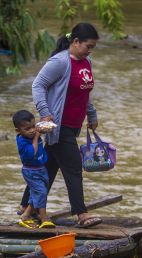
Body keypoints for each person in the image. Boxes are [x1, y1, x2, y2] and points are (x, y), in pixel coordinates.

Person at [19, 22, 103, 228]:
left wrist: (91, 114)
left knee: (47, 167)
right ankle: (81, 214)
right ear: (75, 42)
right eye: (88, 46)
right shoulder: (59, 62)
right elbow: (38, 85)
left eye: (93, 47)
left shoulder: (86, 62)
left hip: (74, 124)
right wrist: (45, 113)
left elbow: (84, 93)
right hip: (59, 125)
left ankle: (25, 207)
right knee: (73, 168)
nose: (90, 50)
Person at [13, 110, 56, 229]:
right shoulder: (22, 141)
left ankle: (25, 216)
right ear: (18, 131)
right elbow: (32, 152)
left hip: (40, 168)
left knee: (36, 194)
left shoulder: (31, 134)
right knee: (41, 192)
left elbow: (38, 131)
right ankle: (43, 218)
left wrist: (45, 127)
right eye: (27, 129)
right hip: (31, 171)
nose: (32, 130)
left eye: (33, 126)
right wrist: (37, 137)